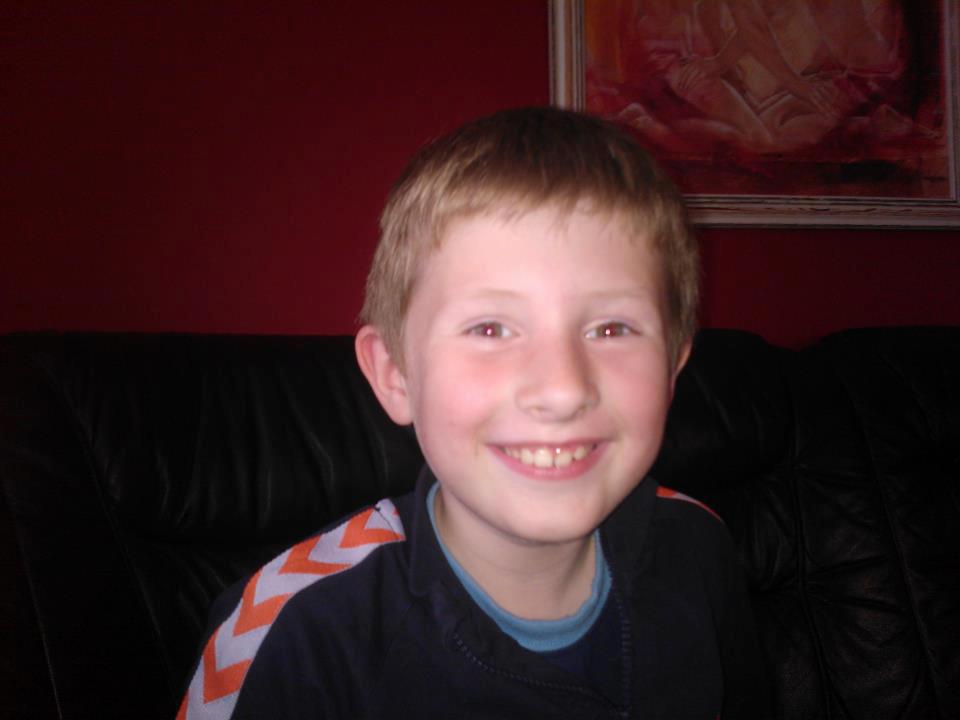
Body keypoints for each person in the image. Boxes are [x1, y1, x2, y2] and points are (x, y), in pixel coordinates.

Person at [178, 107, 769, 719]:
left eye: (612, 328)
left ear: (672, 368)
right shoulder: (288, 635)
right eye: (490, 328)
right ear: (395, 374)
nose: (563, 389)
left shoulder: (698, 544)